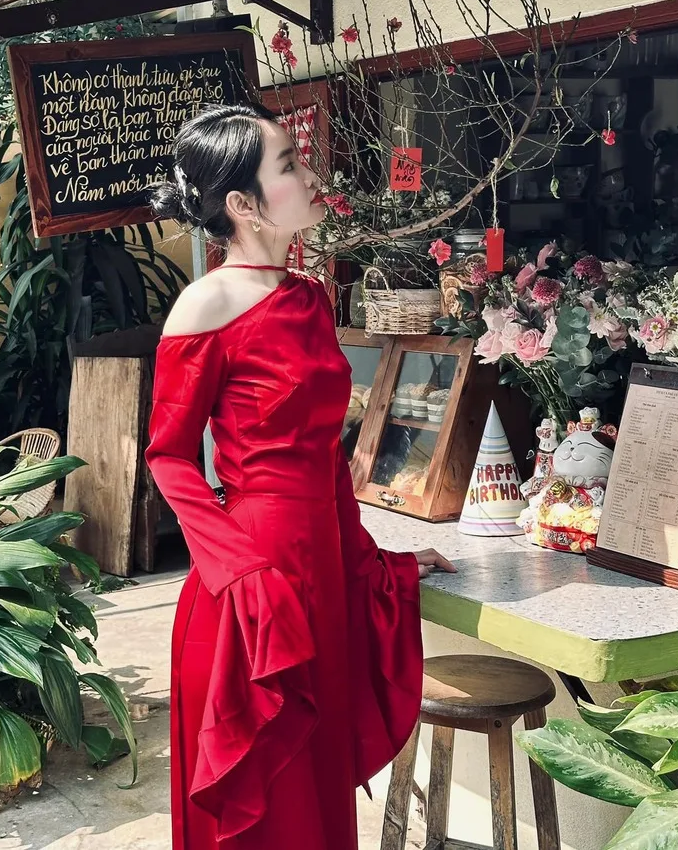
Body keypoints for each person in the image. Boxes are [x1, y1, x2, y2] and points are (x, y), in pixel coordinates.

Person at [145, 102, 456, 850]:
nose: (311, 174)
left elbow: (326, 461)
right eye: (289, 164)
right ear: (243, 204)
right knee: (272, 812)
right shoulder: (205, 304)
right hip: (250, 588)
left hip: (321, 574)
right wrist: (240, 570)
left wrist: (371, 562)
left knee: (315, 807)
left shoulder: (309, 296)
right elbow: (168, 456)